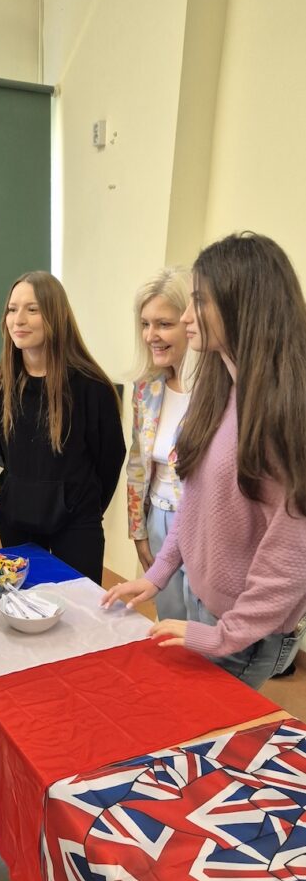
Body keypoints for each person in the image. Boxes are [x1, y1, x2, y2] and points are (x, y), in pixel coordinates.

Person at [102, 232, 306, 689]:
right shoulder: (222, 390)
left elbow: (293, 553)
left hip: (242, 634)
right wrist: (157, 576)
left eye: (198, 302)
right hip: (208, 606)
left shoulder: (280, 411)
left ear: (241, 305)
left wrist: (224, 635)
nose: (187, 318)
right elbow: (195, 504)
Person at [0, 270, 126, 585]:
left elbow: (110, 458)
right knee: (22, 610)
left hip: (77, 524)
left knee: (78, 617)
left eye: (32, 309)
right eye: (12, 309)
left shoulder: (91, 386)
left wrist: (80, 503)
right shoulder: (0, 383)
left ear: (55, 315)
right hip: (17, 520)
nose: (18, 319)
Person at [127, 267, 195, 619]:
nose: (151, 335)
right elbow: (138, 464)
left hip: (202, 525)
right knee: (168, 625)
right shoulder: (146, 388)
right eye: (145, 323)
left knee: (202, 633)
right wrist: (138, 532)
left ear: (191, 322)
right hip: (158, 521)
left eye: (164, 324)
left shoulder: (219, 394)